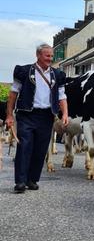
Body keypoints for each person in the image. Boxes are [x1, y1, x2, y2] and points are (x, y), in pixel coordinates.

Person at [5, 43, 69, 193]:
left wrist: (65, 114)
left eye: (51, 56)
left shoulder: (57, 75)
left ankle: (32, 179)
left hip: (46, 116)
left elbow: (62, 96)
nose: (50, 59)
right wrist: (9, 115)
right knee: (25, 146)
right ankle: (20, 181)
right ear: (38, 55)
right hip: (27, 114)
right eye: (47, 56)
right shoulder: (24, 71)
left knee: (40, 149)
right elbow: (13, 94)